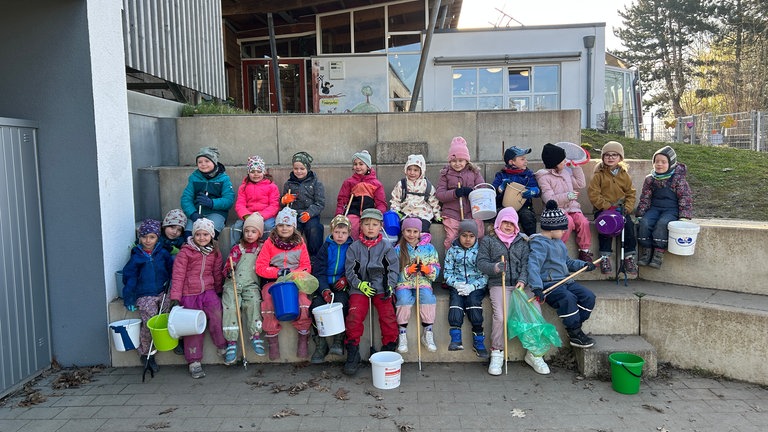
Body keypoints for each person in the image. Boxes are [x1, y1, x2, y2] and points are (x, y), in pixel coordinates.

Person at [529, 200, 597, 352]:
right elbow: (533, 267)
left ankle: (575, 327)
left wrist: (584, 265)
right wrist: (537, 287)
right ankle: (574, 333)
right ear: (552, 229)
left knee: (588, 296)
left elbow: (567, 262)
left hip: (566, 281)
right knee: (568, 299)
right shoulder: (539, 244)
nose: (564, 232)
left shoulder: (559, 242)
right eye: (562, 229)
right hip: (549, 284)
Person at [343, 208, 400, 376]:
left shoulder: (386, 246)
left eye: (374, 224)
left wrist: (390, 284)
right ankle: (353, 350)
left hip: (381, 286)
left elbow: (393, 268)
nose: (370, 228)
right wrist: (359, 284)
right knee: (354, 315)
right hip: (360, 287)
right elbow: (349, 269)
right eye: (366, 224)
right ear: (360, 225)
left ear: (380, 226)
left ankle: (389, 346)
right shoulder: (354, 247)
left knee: (388, 314)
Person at [170, 218, 228, 379]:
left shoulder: (214, 252)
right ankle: (194, 360)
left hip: (208, 291)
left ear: (211, 236)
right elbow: (178, 275)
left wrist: (218, 290)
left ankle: (222, 346)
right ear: (193, 235)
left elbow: (216, 273)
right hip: (189, 294)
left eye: (205, 234)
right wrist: (175, 296)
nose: (202, 238)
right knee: (193, 327)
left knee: (217, 314)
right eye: (198, 234)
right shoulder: (186, 252)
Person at [477, 207, 530, 376]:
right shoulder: (488, 240)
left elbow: (526, 264)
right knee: (501, 316)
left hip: (520, 285)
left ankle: (534, 352)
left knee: (532, 311)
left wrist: (522, 280)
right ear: (499, 222)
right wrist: (494, 267)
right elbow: (481, 262)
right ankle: (497, 352)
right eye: (505, 222)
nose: (508, 226)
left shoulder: (522, 242)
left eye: (511, 223)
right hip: (498, 284)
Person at [255, 207, 313, 361]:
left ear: (294, 227)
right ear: (276, 226)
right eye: (281, 225)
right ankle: (272, 339)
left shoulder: (300, 243)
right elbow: (260, 267)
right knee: (267, 303)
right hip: (273, 281)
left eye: (288, 225)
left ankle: (303, 336)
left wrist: (295, 274)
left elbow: (307, 265)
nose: (284, 228)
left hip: (295, 280)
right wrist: (277, 272)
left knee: (303, 302)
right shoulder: (269, 243)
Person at [121, 219, 173, 374]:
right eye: (144, 237)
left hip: (162, 290)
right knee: (150, 321)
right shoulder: (137, 256)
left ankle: (171, 341)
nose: (147, 240)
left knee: (166, 315)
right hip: (145, 294)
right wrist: (129, 297)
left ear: (157, 237)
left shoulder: (163, 253)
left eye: (152, 237)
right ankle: (147, 353)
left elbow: (172, 271)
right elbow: (129, 278)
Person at [636, 146, 693, 268]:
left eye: (663, 162)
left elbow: (685, 198)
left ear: (671, 164)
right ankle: (646, 250)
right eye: (657, 162)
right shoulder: (650, 179)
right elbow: (645, 198)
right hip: (654, 208)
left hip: (671, 210)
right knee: (645, 222)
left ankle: (658, 253)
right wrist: (641, 214)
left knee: (662, 224)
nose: (659, 165)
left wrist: (684, 217)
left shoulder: (678, 179)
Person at [535, 143, 593, 262]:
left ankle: (584, 251)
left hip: (572, 208)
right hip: (557, 210)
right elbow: (549, 199)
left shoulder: (565, 173)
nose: (565, 162)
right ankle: (558, 249)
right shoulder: (543, 177)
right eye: (562, 160)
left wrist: (575, 168)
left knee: (583, 222)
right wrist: (567, 196)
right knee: (568, 223)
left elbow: (580, 184)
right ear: (555, 164)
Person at [221, 213, 266, 365]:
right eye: (247, 231)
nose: (249, 234)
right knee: (231, 305)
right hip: (233, 282)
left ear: (259, 233)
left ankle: (255, 334)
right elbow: (229, 264)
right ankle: (232, 341)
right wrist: (228, 269)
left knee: (254, 303)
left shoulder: (261, 249)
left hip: (251, 284)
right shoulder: (237, 248)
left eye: (253, 232)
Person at [588, 141, 638, 276]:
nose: (610, 157)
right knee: (605, 227)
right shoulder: (599, 174)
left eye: (614, 155)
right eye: (607, 155)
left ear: (620, 158)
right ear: (603, 157)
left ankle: (628, 257)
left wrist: (627, 207)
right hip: (604, 209)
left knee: (628, 225)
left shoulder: (624, 175)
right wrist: (606, 207)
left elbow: (630, 193)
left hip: (620, 209)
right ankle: (604, 257)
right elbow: (593, 194)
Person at [308, 215, 353, 363]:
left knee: (341, 305)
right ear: (332, 231)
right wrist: (324, 290)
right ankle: (321, 344)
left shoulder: (352, 247)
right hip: (325, 284)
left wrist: (346, 279)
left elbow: (354, 267)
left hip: (341, 285)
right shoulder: (326, 247)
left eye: (344, 233)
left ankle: (339, 340)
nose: (340, 236)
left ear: (349, 234)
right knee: (315, 307)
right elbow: (318, 271)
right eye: (337, 232)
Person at [394, 217, 441, 354]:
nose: (411, 234)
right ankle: (402, 333)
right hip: (404, 283)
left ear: (420, 232)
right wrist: (407, 271)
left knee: (428, 297)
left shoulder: (429, 248)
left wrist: (427, 270)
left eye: (415, 231)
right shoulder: (398, 249)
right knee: (402, 299)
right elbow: (394, 272)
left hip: (423, 282)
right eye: (408, 231)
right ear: (403, 231)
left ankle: (428, 331)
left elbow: (436, 267)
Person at [443, 219, 489, 358]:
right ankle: (456, 338)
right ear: (459, 235)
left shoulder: (480, 251)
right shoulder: (452, 251)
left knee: (473, 304)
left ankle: (478, 340)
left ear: (476, 237)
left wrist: (472, 286)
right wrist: (455, 284)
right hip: (457, 284)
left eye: (471, 236)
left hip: (475, 286)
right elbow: (447, 272)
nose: (467, 239)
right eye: (464, 235)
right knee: (456, 304)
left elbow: (485, 275)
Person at [435, 136, 486, 250]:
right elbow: (440, 194)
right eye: (453, 161)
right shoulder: (446, 174)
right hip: (452, 213)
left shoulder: (474, 172)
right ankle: (451, 261)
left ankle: (475, 260)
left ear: (466, 160)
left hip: (472, 211)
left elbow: (482, 189)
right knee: (452, 237)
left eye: (460, 161)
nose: (457, 164)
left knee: (478, 233)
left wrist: (472, 193)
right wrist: (455, 193)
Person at [180, 147, 235, 238]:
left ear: (214, 162)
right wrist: (192, 213)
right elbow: (186, 198)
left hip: (216, 212)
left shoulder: (224, 179)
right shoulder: (194, 178)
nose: (203, 164)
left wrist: (212, 203)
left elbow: (229, 200)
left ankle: (208, 251)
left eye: (207, 161)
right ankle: (191, 251)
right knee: (189, 234)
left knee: (207, 234)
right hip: (196, 212)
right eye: (200, 162)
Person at [281, 151, 326, 257]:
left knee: (314, 228)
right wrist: (284, 200)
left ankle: (314, 256)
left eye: (302, 169)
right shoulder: (289, 184)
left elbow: (320, 203)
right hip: (293, 214)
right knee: (290, 229)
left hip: (310, 215)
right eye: (296, 169)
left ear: (308, 168)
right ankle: (290, 255)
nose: (299, 171)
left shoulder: (316, 183)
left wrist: (309, 213)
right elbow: (283, 205)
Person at [335, 150, 387, 240]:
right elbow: (342, 200)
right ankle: (353, 246)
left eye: (361, 164)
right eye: (355, 164)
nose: (357, 167)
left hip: (370, 213)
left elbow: (381, 202)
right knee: (352, 225)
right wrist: (339, 214)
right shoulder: (349, 182)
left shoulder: (376, 184)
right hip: (353, 212)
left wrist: (380, 214)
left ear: (368, 166)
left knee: (369, 226)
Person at [231, 155, 280, 245]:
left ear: (264, 172)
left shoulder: (271, 186)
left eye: (259, 171)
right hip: (248, 214)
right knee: (237, 226)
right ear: (248, 173)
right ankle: (235, 250)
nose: (256, 174)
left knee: (268, 226)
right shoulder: (243, 187)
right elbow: (240, 204)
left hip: (265, 216)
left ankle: (265, 248)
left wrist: (261, 216)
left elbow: (274, 205)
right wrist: (246, 216)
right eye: (252, 171)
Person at [492, 146, 540, 235]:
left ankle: (532, 239)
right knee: (502, 215)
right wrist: (501, 188)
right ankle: (502, 240)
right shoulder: (501, 175)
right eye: (522, 159)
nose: (526, 161)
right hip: (504, 206)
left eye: (525, 159)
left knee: (527, 216)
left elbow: (537, 191)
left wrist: (534, 191)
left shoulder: (528, 175)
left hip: (524, 206)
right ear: (511, 162)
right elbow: (492, 192)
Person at [389, 154, 442, 233]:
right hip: (406, 214)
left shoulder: (427, 185)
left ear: (421, 171)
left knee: (423, 230)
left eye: (415, 170)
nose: (412, 172)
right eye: (409, 169)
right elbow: (395, 200)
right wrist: (395, 212)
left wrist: (438, 216)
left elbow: (434, 202)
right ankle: (403, 245)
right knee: (404, 231)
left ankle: (424, 244)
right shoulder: (401, 184)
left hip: (423, 215)